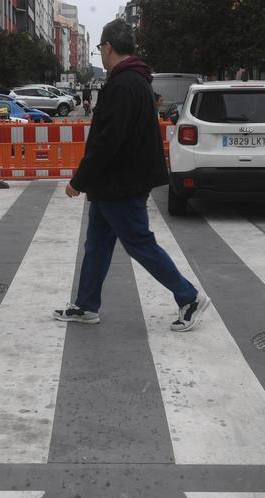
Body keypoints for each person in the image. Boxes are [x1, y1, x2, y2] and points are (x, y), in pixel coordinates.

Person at [54, 19, 210, 332]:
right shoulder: (135, 80)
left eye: (100, 48)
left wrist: (79, 180)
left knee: (139, 243)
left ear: (108, 47)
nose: (101, 52)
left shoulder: (124, 84)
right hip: (113, 184)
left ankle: (188, 296)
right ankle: (86, 305)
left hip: (121, 184)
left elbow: (108, 139)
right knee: (96, 244)